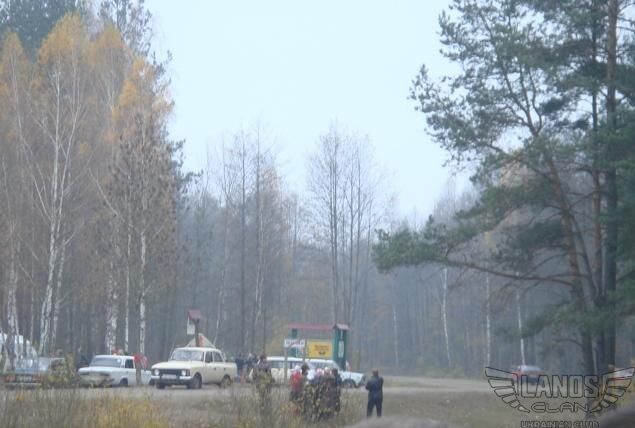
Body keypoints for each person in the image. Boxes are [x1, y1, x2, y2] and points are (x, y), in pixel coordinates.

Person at [253, 354, 273, 419]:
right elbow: (269, 375)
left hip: (259, 385)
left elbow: (254, 376)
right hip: (266, 385)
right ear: (263, 359)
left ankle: (261, 410)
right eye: (265, 358)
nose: (266, 359)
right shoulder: (267, 365)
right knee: (267, 399)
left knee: (260, 398)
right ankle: (266, 411)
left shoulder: (256, 366)